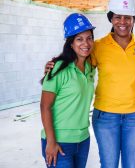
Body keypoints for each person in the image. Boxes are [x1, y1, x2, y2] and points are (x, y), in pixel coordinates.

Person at [44, 0, 135, 168]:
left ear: (134, 19)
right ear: (111, 18)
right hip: (105, 116)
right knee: (109, 164)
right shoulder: (98, 46)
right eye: (117, 17)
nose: (122, 22)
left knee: (132, 164)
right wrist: (55, 64)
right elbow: (77, 62)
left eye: (127, 17)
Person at [40, 13, 95, 168]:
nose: (86, 43)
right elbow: (45, 106)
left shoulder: (91, 67)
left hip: (83, 139)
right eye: (79, 39)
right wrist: (51, 141)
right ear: (70, 43)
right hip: (59, 140)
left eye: (89, 37)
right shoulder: (58, 68)